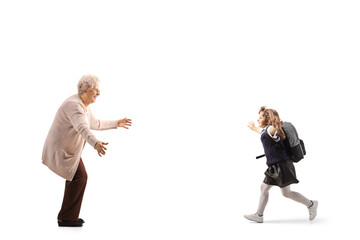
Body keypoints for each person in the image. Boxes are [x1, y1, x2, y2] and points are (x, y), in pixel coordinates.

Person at [42, 75, 132, 227]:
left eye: (98, 90)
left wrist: (117, 123)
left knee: (77, 177)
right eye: (95, 90)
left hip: (69, 150)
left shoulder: (83, 105)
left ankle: (67, 216)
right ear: (85, 90)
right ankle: (66, 218)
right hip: (60, 150)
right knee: (79, 176)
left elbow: (94, 123)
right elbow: (83, 128)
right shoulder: (74, 106)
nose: (98, 93)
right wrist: (95, 143)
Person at [244, 106, 318, 223]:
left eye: (260, 117)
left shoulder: (271, 129)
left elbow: (271, 129)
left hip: (282, 167)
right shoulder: (266, 130)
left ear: (268, 120)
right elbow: (262, 132)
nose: (258, 120)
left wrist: (276, 123)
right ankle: (259, 215)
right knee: (265, 188)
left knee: (286, 193)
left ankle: (311, 204)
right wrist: (254, 128)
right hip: (275, 167)